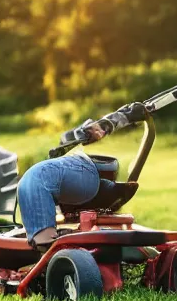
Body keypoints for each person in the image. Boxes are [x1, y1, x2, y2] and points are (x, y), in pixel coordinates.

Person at [19, 105, 141, 250]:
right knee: (33, 181)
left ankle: (46, 245)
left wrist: (108, 123)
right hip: (81, 180)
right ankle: (45, 245)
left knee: (36, 178)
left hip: (89, 169)